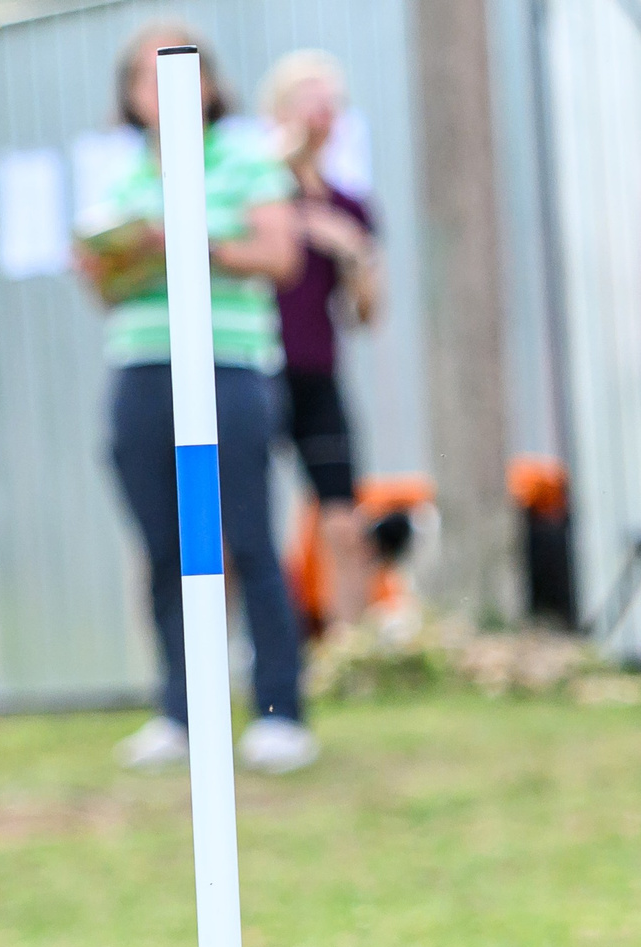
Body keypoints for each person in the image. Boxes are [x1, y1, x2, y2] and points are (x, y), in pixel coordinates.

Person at [76, 23, 316, 774]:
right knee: (162, 549)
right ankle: (180, 710)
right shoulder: (119, 175)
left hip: (229, 364)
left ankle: (281, 710)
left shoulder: (246, 156)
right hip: (143, 365)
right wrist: (111, 258)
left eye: (169, 74)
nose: (156, 91)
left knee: (247, 537)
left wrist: (185, 241)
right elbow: (101, 289)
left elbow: (281, 257)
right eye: (140, 79)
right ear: (127, 96)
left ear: (205, 83)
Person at [261, 50, 383, 635]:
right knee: (240, 523)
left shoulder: (350, 206)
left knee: (342, 521)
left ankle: (348, 652)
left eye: (329, 103)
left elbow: (367, 313)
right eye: (307, 100)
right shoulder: (256, 194)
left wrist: (354, 254)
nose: (320, 115)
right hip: (254, 369)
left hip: (316, 370)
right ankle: (230, 658)